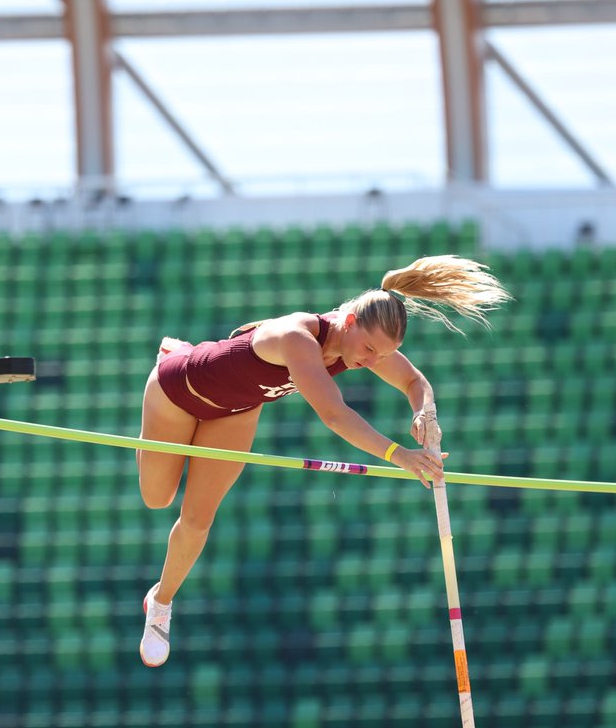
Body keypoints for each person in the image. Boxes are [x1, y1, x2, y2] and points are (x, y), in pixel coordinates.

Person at [135, 254, 512, 667]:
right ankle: (177, 351)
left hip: (237, 409)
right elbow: (334, 414)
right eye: (368, 349)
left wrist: (425, 410)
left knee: (198, 519)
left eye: (380, 356)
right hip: (178, 391)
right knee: (157, 497)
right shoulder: (298, 337)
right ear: (349, 322)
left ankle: (161, 602)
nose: (370, 362)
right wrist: (398, 455)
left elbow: (413, 381)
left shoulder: (360, 345)